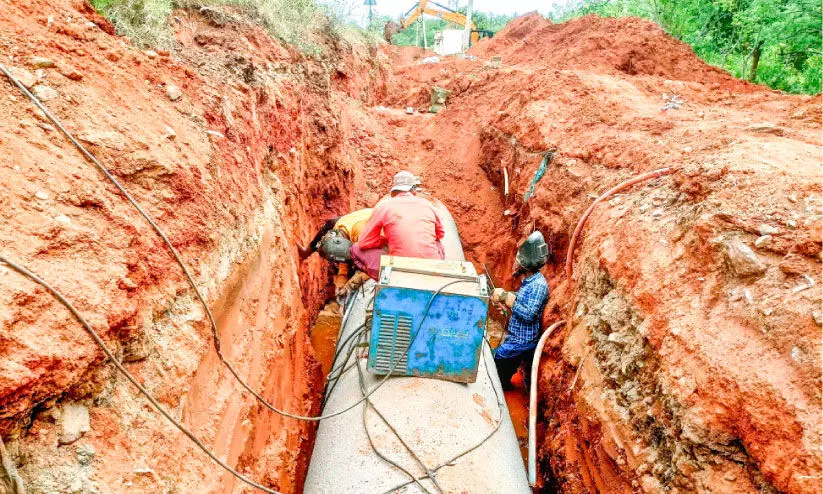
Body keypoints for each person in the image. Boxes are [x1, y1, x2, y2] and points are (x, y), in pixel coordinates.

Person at [491, 231, 550, 390]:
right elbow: (522, 299)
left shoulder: (538, 285)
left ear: (526, 264)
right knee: (500, 359)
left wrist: (509, 300)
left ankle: (502, 388)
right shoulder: (531, 281)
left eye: (518, 261)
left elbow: (529, 315)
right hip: (516, 338)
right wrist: (505, 297)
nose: (515, 264)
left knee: (497, 360)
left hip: (523, 341)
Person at [355, 171, 445, 260]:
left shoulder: (384, 206)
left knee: (355, 248)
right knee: (438, 244)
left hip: (398, 264)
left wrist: (386, 239)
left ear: (394, 190)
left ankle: (374, 272)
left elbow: (364, 242)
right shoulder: (428, 204)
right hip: (431, 263)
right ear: (413, 190)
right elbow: (440, 234)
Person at [297, 208, 380, 296]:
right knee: (329, 227)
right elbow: (342, 250)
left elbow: (371, 266)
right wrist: (342, 275)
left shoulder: (364, 240)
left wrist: (349, 285)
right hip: (357, 220)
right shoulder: (336, 228)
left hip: (379, 225)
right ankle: (306, 251)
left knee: (360, 267)